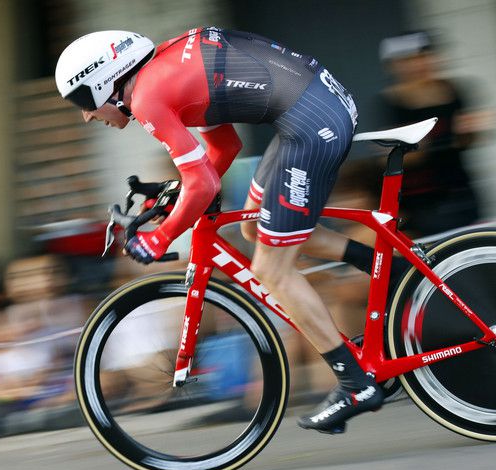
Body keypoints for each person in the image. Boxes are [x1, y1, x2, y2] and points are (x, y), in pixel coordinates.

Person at [55, 27, 407, 433]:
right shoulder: (165, 73)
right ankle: (390, 270)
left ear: (105, 81)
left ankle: (354, 383)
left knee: (271, 270)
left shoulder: (148, 97)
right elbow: (223, 151)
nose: (86, 115)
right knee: (260, 228)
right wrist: (174, 195)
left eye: (82, 101)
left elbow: (204, 184)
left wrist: (161, 236)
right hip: (308, 113)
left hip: (310, 123)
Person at [379, 31, 490, 236]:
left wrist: (473, 129)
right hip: (419, 201)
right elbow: (387, 156)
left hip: (461, 190)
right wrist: (419, 143)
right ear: (395, 65)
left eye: (424, 56)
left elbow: (467, 139)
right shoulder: (390, 102)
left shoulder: (454, 90)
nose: (419, 64)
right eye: (409, 60)